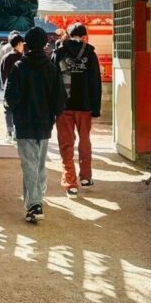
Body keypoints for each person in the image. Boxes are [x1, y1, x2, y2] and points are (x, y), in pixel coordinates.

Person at [3, 27, 65, 223]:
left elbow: (10, 98)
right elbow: (60, 99)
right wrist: (54, 113)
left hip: (24, 123)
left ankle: (35, 204)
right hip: (45, 124)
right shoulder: (52, 68)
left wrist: (9, 110)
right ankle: (35, 201)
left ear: (27, 45)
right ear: (45, 45)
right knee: (39, 164)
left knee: (29, 164)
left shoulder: (19, 67)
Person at [53, 22, 102, 198]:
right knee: (85, 140)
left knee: (66, 144)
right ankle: (86, 177)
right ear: (84, 36)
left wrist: (52, 106)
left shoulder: (58, 54)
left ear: (68, 34)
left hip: (63, 105)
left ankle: (70, 183)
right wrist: (95, 108)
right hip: (85, 105)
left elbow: (53, 81)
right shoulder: (90, 54)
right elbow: (96, 83)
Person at [0, 32, 24, 141]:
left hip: (8, 88)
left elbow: (2, 73)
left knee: (8, 110)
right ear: (19, 44)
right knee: (19, 111)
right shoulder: (23, 58)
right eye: (23, 44)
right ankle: (17, 134)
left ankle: (9, 132)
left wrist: (5, 85)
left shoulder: (5, 57)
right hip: (21, 89)